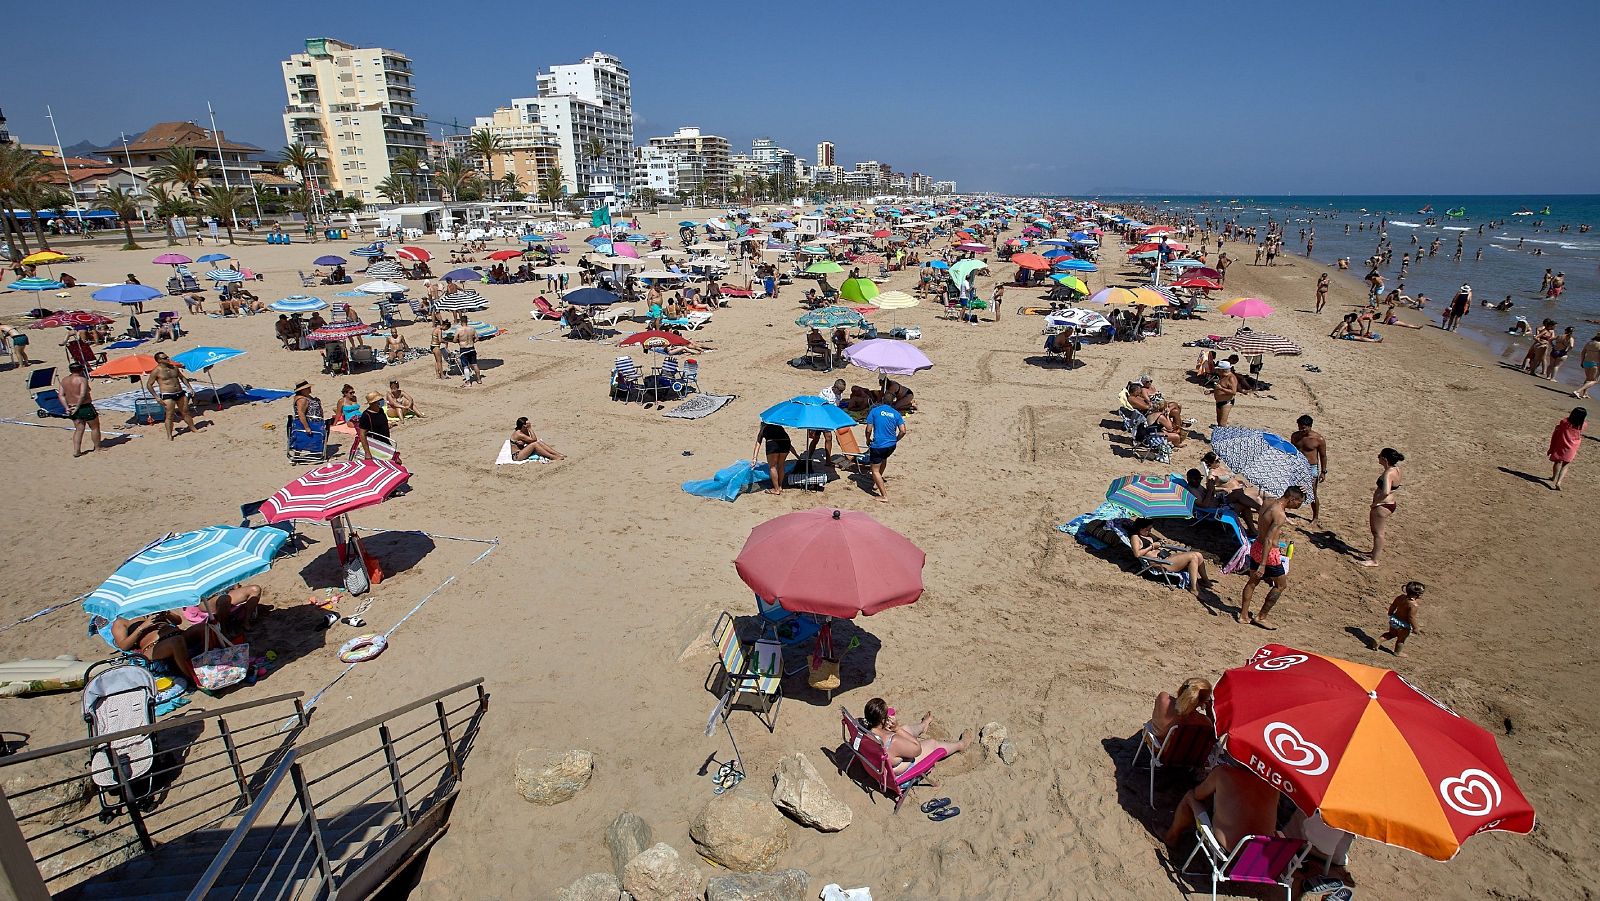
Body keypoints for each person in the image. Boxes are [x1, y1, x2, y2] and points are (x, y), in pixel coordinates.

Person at [1163, 758, 1282, 852]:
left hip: (1225, 849)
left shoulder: (1224, 773)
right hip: (1255, 856)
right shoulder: (1274, 787)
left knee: (1190, 796)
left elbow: (1198, 794)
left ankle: (1171, 837)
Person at [1239, 486, 1306, 629]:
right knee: (1281, 585)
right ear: (1292, 499)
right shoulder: (1280, 515)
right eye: (1298, 502)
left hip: (1256, 546)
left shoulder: (1268, 501)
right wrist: (1263, 564)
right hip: (1269, 553)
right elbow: (1269, 540)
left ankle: (1244, 616)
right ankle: (1261, 617)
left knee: (1252, 582)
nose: (1298, 506)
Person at [861, 697, 971, 776]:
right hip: (897, 774)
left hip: (878, 766)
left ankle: (923, 726)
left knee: (906, 729)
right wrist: (897, 729)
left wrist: (899, 729)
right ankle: (961, 745)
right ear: (883, 719)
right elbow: (917, 749)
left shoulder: (864, 731)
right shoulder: (892, 741)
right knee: (932, 743)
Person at [111, 611, 202, 684]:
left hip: (179, 634)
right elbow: (123, 645)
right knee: (176, 641)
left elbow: (178, 621)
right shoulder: (121, 621)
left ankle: (213, 661)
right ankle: (194, 679)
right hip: (154, 646)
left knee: (202, 628)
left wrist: (166, 613)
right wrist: (142, 627)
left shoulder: (151, 608)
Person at [1128, 519, 1211, 595]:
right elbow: (1137, 554)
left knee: (1198, 555)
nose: (1150, 531)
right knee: (1193, 556)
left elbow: (1159, 540)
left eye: (1151, 529)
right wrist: (1152, 546)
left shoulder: (1147, 534)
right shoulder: (1135, 537)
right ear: (1140, 528)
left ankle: (1206, 581)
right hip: (1160, 562)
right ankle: (1194, 589)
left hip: (1166, 556)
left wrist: (1160, 541)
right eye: (1148, 529)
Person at [1357, 448, 1404, 567]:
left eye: (1379, 456)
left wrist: (1376, 502)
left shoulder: (1388, 473)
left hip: (1382, 505)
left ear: (1384, 459)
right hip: (1390, 503)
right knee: (1376, 532)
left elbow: (1386, 491)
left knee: (1378, 533)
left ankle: (1375, 560)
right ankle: (1373, 553)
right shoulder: (1396, 469)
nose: (1378, 457)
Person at [143, 351, 200, 439]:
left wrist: (189, 387)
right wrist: (156, 397)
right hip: (168, 394)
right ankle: (169, 436)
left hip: (180, 393)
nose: (168, 359)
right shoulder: (156, 371)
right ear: (159, 360)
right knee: (169, 416)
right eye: (165, 358)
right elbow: (149, 384)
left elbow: (182, 378)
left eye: (167, 357)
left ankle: (193, 429)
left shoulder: (174, 367)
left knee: (185, 412)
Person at [864, 396, 906, 503]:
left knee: (874, 470)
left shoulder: (875, 411)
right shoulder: (896, 413)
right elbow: (903, 431)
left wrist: (868, 439)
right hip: (891, 445)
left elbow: (868, 430)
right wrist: (896, 439)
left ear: (882, 401)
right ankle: (876, 483)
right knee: (884, 459)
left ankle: (884, 496)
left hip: (879, 445)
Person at [1290, 415, 1327, 523]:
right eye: (1300, 427)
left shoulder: (1318, 439)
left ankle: (1315, 517)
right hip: (1298, 465)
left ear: (1310, 426)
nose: (1301, 430)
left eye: (1304, 428)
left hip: (1311, 467)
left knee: (1312, 492)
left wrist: (1323, 472)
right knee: (1290, 489)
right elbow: (1293, 451)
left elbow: (1323, 456)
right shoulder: (1295, 436)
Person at [62, 361, 101, 457]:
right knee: (95, 427)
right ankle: (97, 447)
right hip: (84, 406)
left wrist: (67, 408)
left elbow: (61, 395)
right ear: (80, 370)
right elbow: (83, 394)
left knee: (79, 429)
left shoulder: (64, 380)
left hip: (71, 406)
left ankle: (76, 451)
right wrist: (78, 407)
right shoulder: (82, 380)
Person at [1378, 581, 1425, 656]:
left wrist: (1390, 612)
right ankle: (1397, 652)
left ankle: (1378, 641)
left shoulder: (1401, 597)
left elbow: (1393, 606)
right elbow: (1411, 617)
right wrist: (1415, 628)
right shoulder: (1414, 605)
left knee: (1390, 634)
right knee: (1401, 639)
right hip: (1403, 626)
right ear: (1418, 594)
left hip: (1394, 620)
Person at [1547, 407, 1586, 490]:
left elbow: (1560, 427)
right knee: (1566, 464)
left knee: (1557, 461)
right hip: (1573, 446)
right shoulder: (1583, 425)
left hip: (1562, 444)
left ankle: (1554, 477)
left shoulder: (1565, 422)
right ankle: (1559, 482)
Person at [753, 419, 794, 496]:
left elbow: (758, 442)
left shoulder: (764, 428)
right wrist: (796, 455)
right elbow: (789, 444)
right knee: (781, 465)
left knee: (772, 467)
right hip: (786, 442)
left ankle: (776, 489)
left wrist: (754, 458)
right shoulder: (779, 426)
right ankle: (780, 486)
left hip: (773, 443)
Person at [355, 393, 392, 458]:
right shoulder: (366, 415)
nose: (382, 401)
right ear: (373, 403)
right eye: (380, 400)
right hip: (375, 445)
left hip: (386, 442)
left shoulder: (381, 410)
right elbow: (362, 434)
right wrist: (367, 452)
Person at [1207, 360, 1240, 425]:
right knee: (1219, 421)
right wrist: (1212, 391)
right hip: (1219, 401)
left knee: (1222, 423)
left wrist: (1220, 388)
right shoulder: (1222, 376)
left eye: (1218, 370)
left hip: (1226, 402)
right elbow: (1222, 387)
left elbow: (1233, 392)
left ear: (1223, 370)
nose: (1217, 371)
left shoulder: (1231, 378)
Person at [1574, 333, 1600, 399]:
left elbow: (1583, 352)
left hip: (1586, 362)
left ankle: (1585, 394)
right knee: (1594, 381)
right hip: (1595, 363)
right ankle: (1577, 391)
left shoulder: (1589, 343)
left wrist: (1582, 362)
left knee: (1588, 378)